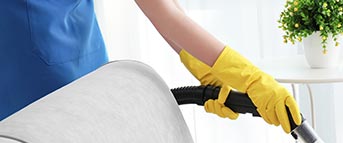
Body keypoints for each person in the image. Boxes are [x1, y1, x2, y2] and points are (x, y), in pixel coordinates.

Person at [0, 0, 301, 133]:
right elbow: (163, 11)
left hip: (78, 67)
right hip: (38, 81)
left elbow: (166, 9)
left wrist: (208, 72)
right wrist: (249, 78)